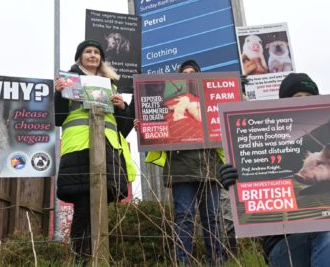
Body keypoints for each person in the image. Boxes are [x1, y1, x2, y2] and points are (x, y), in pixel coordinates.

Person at [221, 73, 330, 267]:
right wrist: (231, 180)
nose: (304, 102)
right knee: (329, 235)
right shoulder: (264, 143)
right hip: (285, 245)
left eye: (310, 97)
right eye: (296, 99)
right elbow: (249, 188)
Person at [54, 39, 136, 261]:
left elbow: (123, 128)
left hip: (108, 151)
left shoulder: (111, 85)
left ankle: (96, 257)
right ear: (79, 57)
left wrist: (123, 107)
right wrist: (59, 96)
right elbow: (58, 119)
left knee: (99, 209)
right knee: (83, 207)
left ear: (101, 59)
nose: (92, 55)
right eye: (88, 52)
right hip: (79, 149)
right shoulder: (67, 81)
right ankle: (82, 258)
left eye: (96, 53)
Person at [142, 59, 225, 265]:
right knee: (184, 218)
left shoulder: (210, 102)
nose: (189, 74)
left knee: (213, 219)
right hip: (180, 167)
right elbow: (155, 128)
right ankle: (182, 262)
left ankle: (218, 261)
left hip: (210, 167)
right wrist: (143, 125)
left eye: (193, 71)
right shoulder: (169, 103)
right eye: (185, 72)